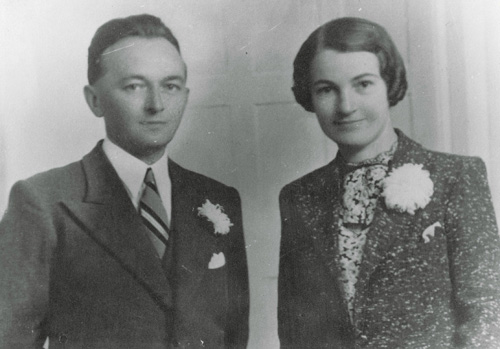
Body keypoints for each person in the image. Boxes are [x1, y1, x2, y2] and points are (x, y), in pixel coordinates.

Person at [0, 14, 249, 348]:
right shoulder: (43, 202)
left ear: (186, 96)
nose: (156, 104)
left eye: (170, 86)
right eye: (134, 86)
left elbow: (234, 334)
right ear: (94, 100)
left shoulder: (219, 200)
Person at [277, 16, 500, 348]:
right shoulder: (299, 196)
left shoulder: (455, 178)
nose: (346, 105)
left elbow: (486, 314)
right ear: (309, 96)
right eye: (326, 89)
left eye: (363, 84)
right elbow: (294, 330)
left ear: (389, 84)